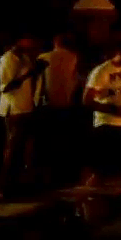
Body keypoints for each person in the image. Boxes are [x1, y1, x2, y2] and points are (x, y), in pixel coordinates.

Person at [83, 41, 121, 185]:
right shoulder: (102, 71)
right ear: (120, 52)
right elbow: (87, 100)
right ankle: (91, 198)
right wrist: (113, 110)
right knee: (103, 170)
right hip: (107, 124)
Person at [0, 35, 45, 196]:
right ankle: (5, 186)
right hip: (14, 110)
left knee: (23, 148)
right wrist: (30, 73)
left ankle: (17, 183)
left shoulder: (23, 58)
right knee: (13, 148)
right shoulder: (7, 59)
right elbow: (6, 87)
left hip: (26, 108)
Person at [38, 33, 84, 186]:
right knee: (65, 140)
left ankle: (50, 176)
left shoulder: (43, 57)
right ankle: (66, 175)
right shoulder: (73, 57)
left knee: (49, 142)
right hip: (67, 103)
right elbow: (78, 79)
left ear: (55, 43)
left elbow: (39, 83)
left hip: (49, 104)